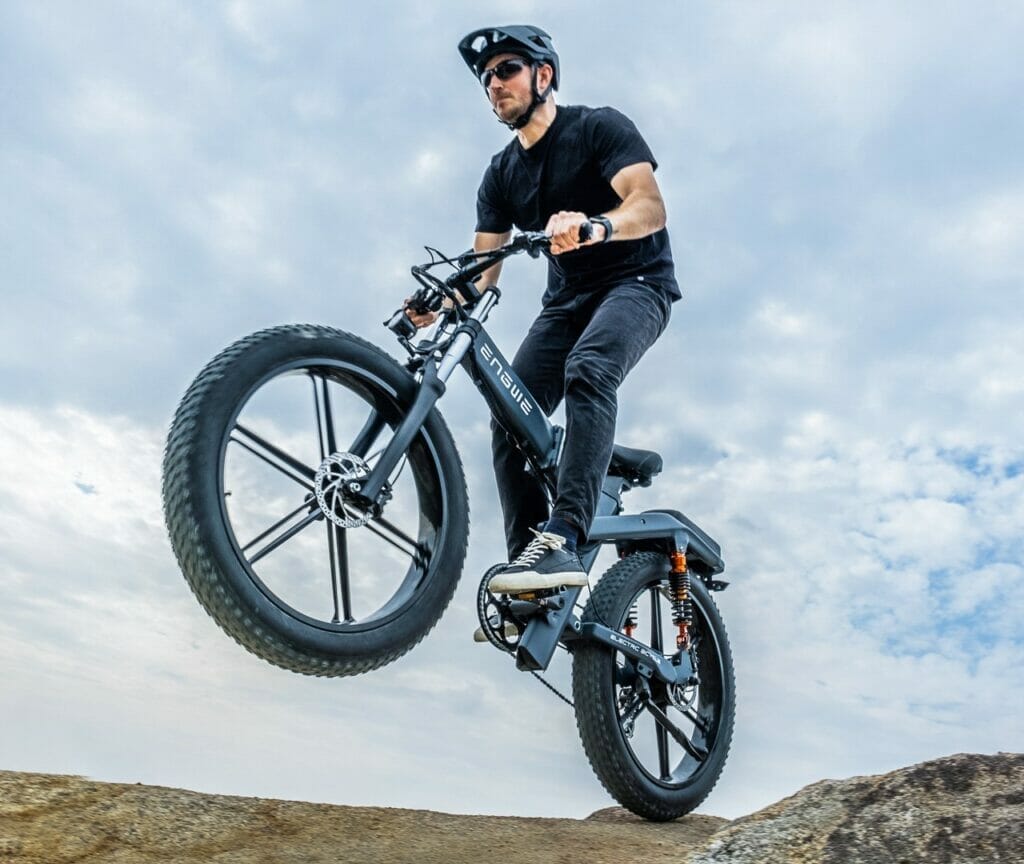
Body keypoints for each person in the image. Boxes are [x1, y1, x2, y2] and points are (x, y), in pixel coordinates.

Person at [409, 25, 680, 596]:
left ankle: (563, 539)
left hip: (637, 283)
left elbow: (650, 207)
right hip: (566, 304)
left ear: (544, 75)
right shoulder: (501, 174)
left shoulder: (598, 127)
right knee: (511, 415)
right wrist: (441, 300)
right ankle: (530, 573)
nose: (494, 85)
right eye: (486, 79)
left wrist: (597, 226)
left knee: (590, 369)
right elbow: (481, 276)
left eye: (506, 70)